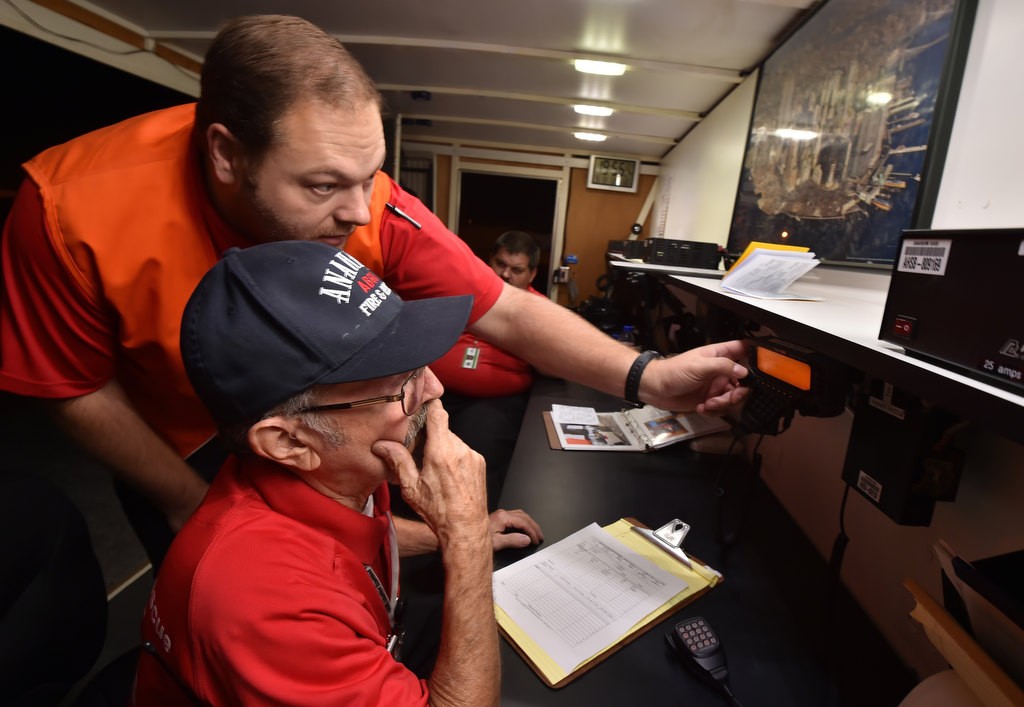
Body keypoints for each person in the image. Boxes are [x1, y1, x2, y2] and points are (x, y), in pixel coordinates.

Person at [0, 14, 748, 567]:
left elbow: (507, 307)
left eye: (370, 175)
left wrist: (652, 377)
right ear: (227, 155)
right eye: (325, 184)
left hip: (326, 432)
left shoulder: (366, 200)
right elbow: (72, 387)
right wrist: (194, 505)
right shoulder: (66, 209)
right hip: (180, 444)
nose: (360, 213)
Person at [133, 241, 543, 705]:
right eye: (399, 383)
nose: (434, 387)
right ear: (289, 442)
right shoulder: (267, 604)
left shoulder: (344, 470)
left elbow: (366, 534)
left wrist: (449, 533)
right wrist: (467, 543)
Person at [430, 231, 547, 509]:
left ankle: (473, 520)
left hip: (494, 402)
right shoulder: (464, 290)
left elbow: (556, 363)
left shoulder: (540, 310)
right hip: (436, 390)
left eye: (516, 270)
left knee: (475, 450)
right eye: (500, 264)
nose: (505, 274)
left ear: (531, 274)